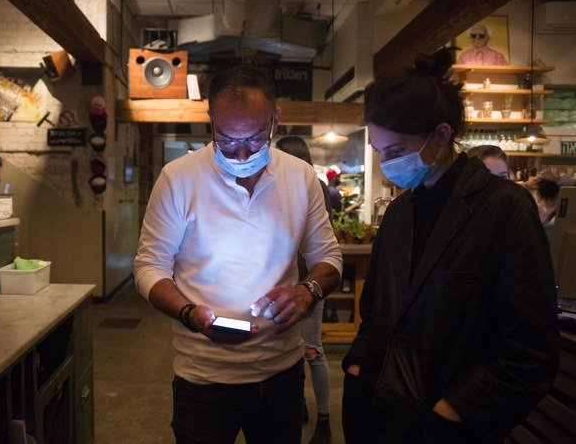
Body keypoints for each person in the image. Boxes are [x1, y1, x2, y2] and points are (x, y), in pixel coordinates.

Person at [342, 49, 558, 444]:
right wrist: (358, 365)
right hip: (378, 411)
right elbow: (375, 312)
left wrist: (456, 410)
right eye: (379, 152)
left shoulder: (504, 208)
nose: (387, 164)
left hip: (444, 424)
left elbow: (530, 346)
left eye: (396, 151)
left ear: (441, 135)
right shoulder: (400, 212)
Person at [133, 64, 343, 444]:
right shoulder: (178, 178)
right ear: (210, 120)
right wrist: (188, 313)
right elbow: (149, 266)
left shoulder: (301, 178)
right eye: (227, 139)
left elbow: (329, 260)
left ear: (276, 120)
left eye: (255, 139)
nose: (242, 152)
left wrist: (306, 292)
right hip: (204, 380)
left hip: (283, 373)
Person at [275, 136, 332, 444]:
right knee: (293, 351)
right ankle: (302, 408)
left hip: (308, 283)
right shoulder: (281, 184)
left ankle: (324, 420)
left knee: (312, 350)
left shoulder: (313, 185)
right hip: (286, 284)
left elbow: (321, 246)